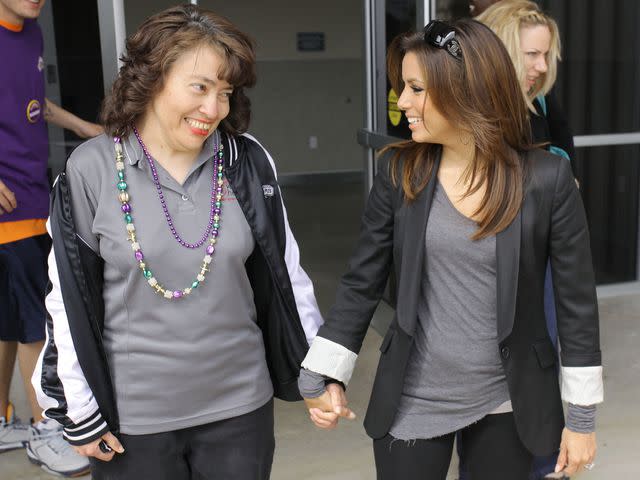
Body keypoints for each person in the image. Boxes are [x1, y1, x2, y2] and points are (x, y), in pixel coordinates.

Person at [298, 19, 602, 480]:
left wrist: (581, 418)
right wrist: (323, 369)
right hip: (414, 396)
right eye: (403, 87)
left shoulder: (546, 179)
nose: (403, 103)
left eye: (417, 89)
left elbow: (576, 304)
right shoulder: (400, 173)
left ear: (465, 89)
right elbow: (362, 283)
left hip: (508, 399)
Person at [31, 5, 322, 479]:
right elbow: (66, 298)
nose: (214, 109)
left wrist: (316, 369)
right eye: (200, 87)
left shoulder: (246, 162)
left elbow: (288, 273)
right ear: (152, 79)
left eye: (225, 92)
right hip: (134, 418)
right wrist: (77, 410)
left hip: (240, 408)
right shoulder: (92, 169)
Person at [0, 0, 102, 476]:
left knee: (8, 318)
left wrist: (85, 128)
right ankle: (46, 430)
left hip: (34, 190)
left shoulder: (32, 32)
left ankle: (4, 420)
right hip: (9, 208)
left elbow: (37, 102)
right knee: (35, 320)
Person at [476, 3, 577, 477]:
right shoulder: (467, 114)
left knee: (541, 369)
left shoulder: (541, 103)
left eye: (545, 56)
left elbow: (565, 169)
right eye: (532, 55)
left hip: (543, 260)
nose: (541, 68)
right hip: (487, 266)